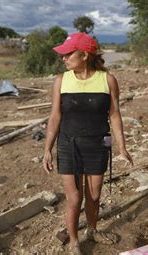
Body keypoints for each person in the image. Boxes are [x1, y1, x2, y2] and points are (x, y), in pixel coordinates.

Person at [42, 32, 133, 254]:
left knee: (94, 195)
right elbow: (55, 116)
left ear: (84, 55)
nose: (63, 58)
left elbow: (114, 115)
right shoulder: (61, 80)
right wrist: (47, 149)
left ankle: (92, 229)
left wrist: (122, 146)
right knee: (74, 198)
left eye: (67, 54)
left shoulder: (107, 80)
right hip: (68, 144)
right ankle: (74, 240)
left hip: (97, 145)